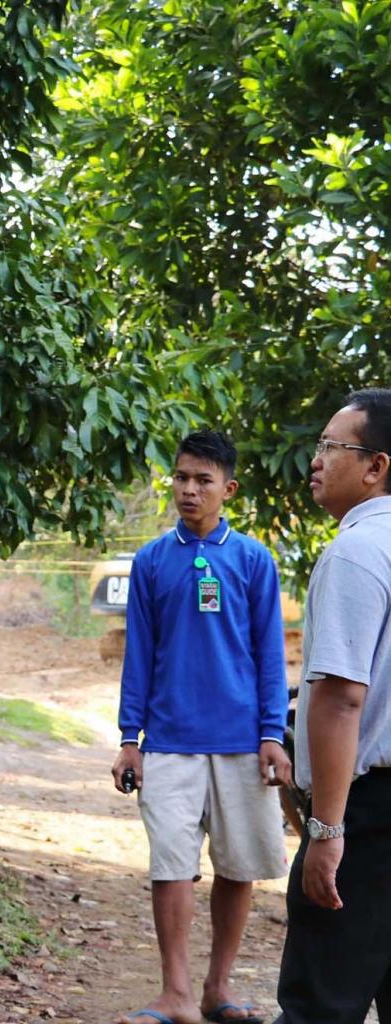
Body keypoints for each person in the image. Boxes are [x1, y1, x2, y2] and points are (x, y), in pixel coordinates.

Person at [111, 429, 291, 1024]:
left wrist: (272, 734)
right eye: (182, 477)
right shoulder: (151, 560)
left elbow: (270, 656)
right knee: (170, 864)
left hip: (241, 742)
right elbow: (139, 655)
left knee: (238, 867)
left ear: (227, 490)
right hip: (169, 742)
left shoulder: (254, 560)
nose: (189, 489)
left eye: (203, 480)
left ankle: (218, 988)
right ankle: (177, 994)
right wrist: (130, 739)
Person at [276, 389, 391, 1024]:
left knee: (321, 1004)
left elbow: (342, 699)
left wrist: (325, 830)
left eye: (331, 446)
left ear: (376, 466)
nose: (315, 459)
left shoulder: (357, 551)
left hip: (368, 816)